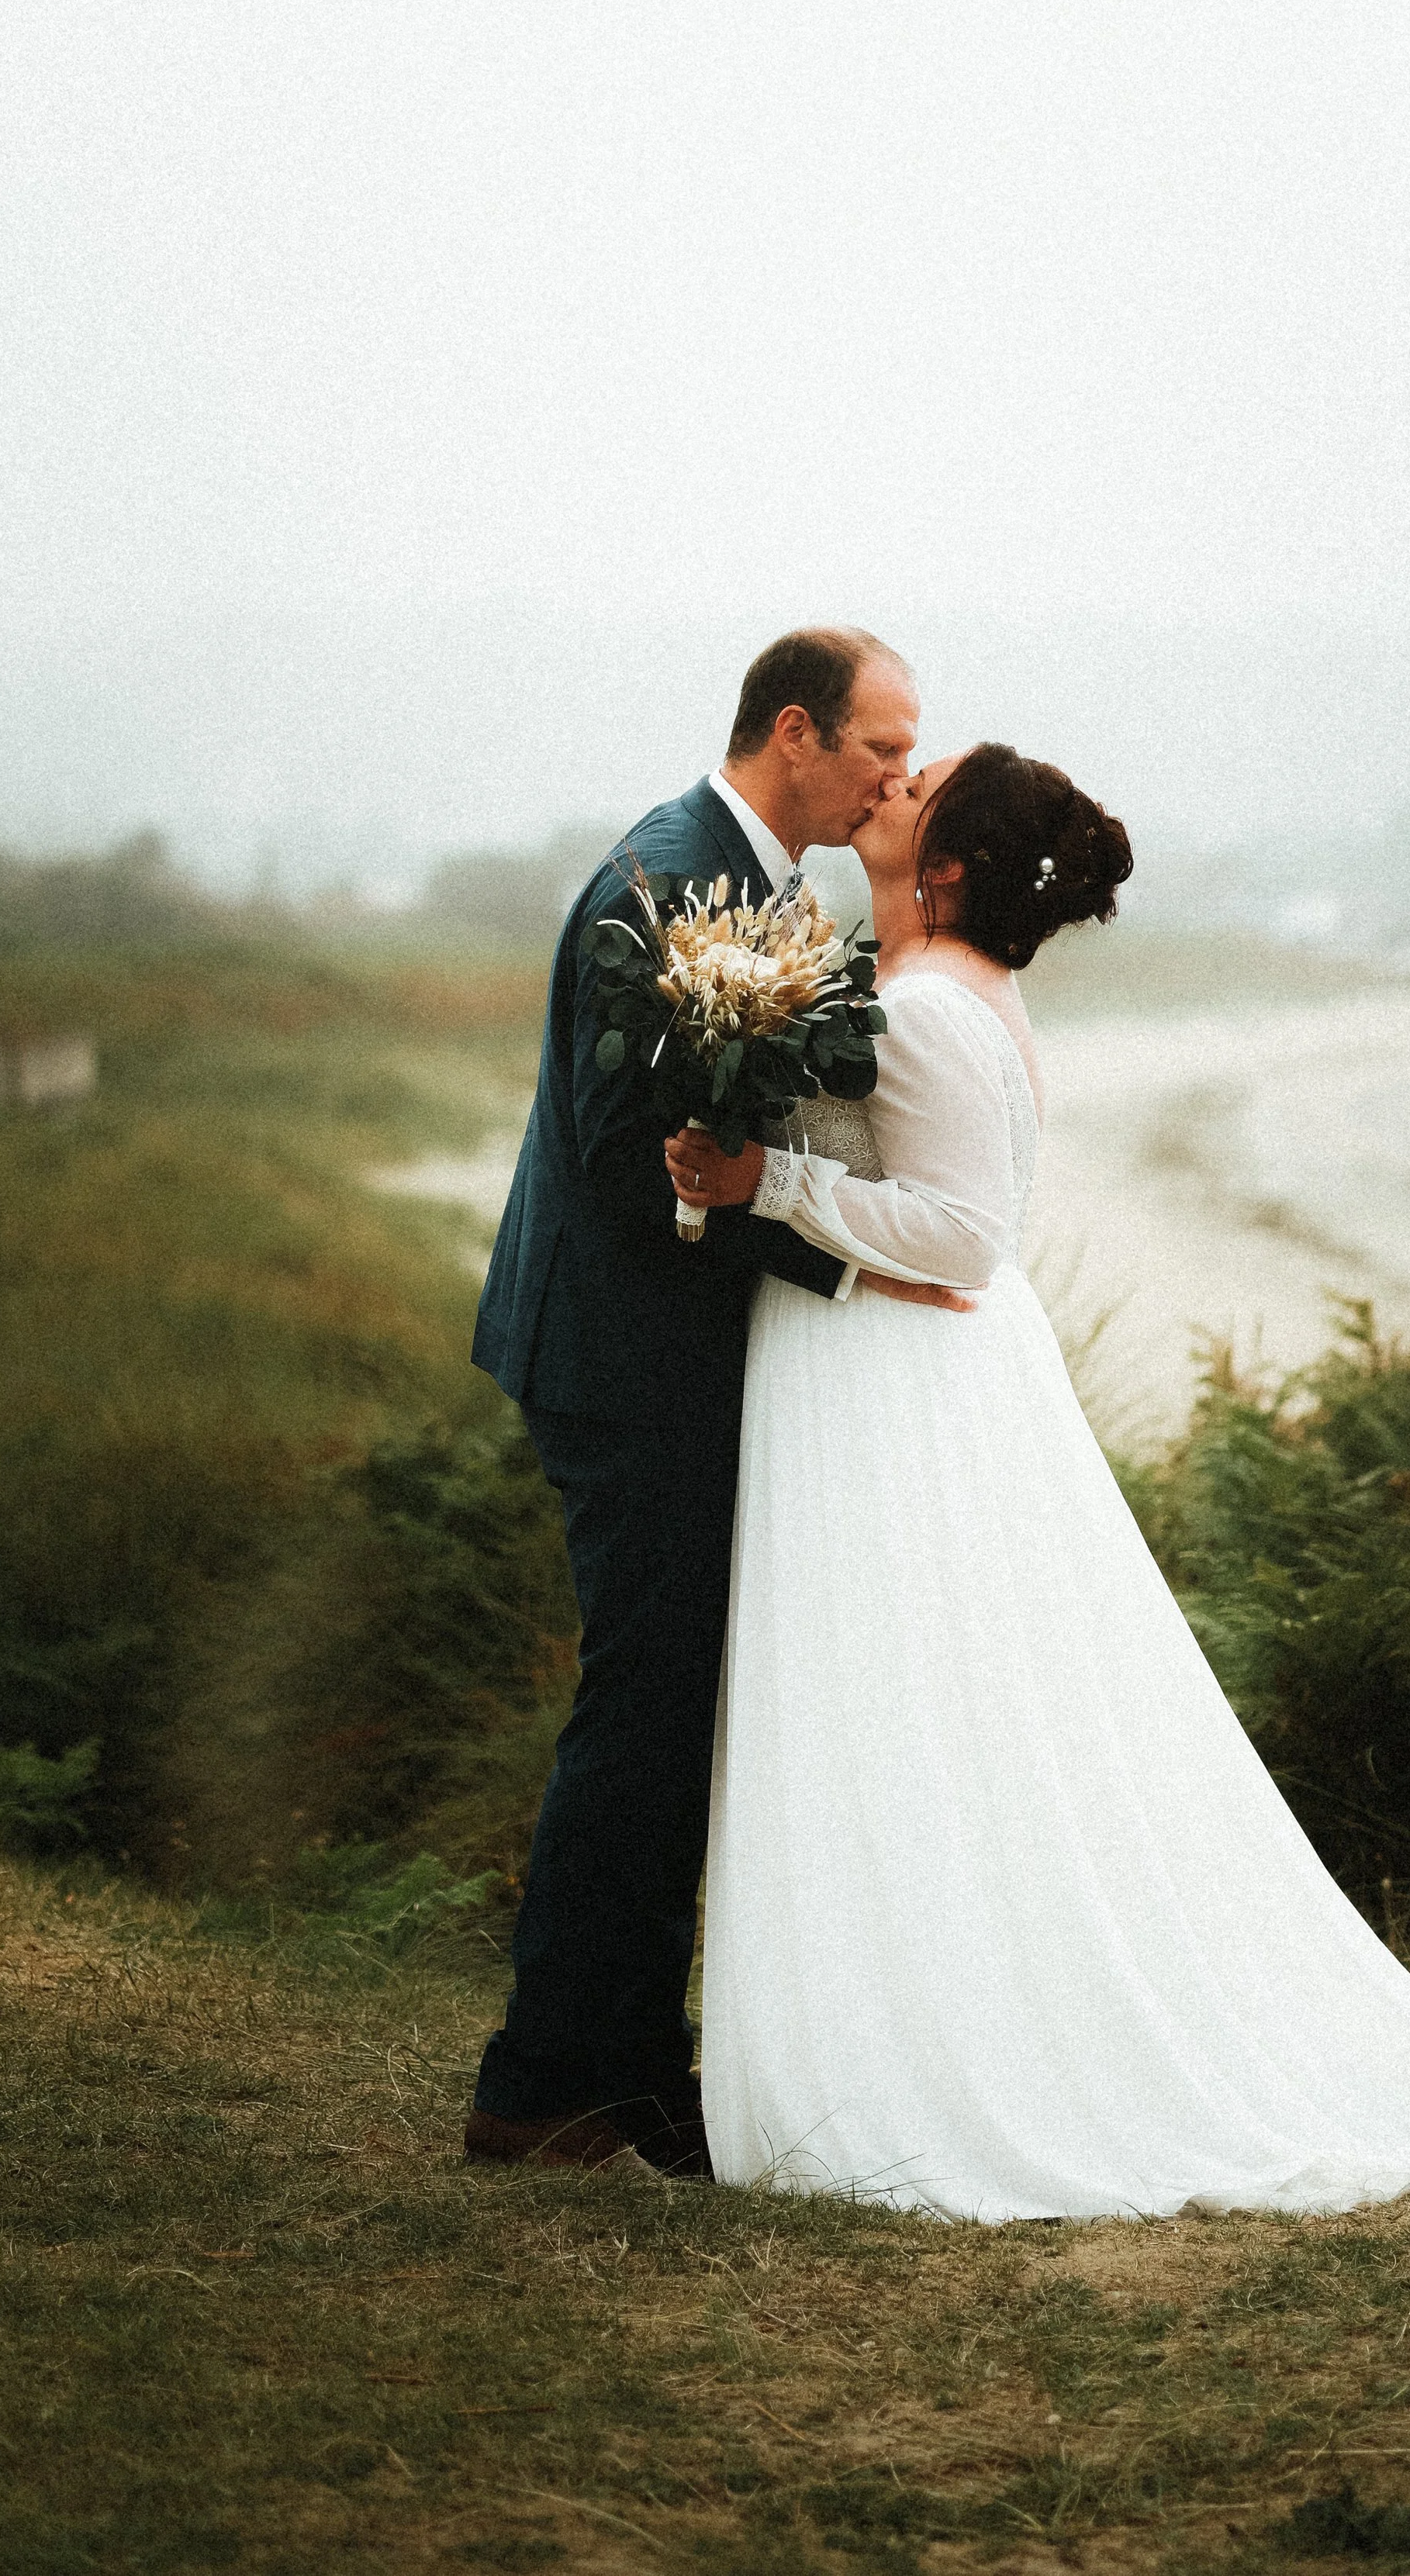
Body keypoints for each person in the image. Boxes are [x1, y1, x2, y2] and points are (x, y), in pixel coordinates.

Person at [668, 743, 1410, 2220]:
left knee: (915, 1696)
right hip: (880, 1370)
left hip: (903, 1382)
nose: (892, 787)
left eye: (921, 787)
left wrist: (762, 1184)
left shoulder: (925, 1007)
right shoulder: (912, 992)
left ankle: (928, 2053)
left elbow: (964, 1243)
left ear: (950, 867)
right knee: (912, 1698)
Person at [464, 628, 967, 2176]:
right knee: (640, 1715)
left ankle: (623, 2062)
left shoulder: (755, 883)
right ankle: (548, 2083)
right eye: (883, 749)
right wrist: (816, 1248)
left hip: (658, 1350)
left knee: (670, 1716)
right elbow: (631, 1170)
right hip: (621, 1361)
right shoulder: (670, 881)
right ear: (798, 731)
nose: (899, 779)